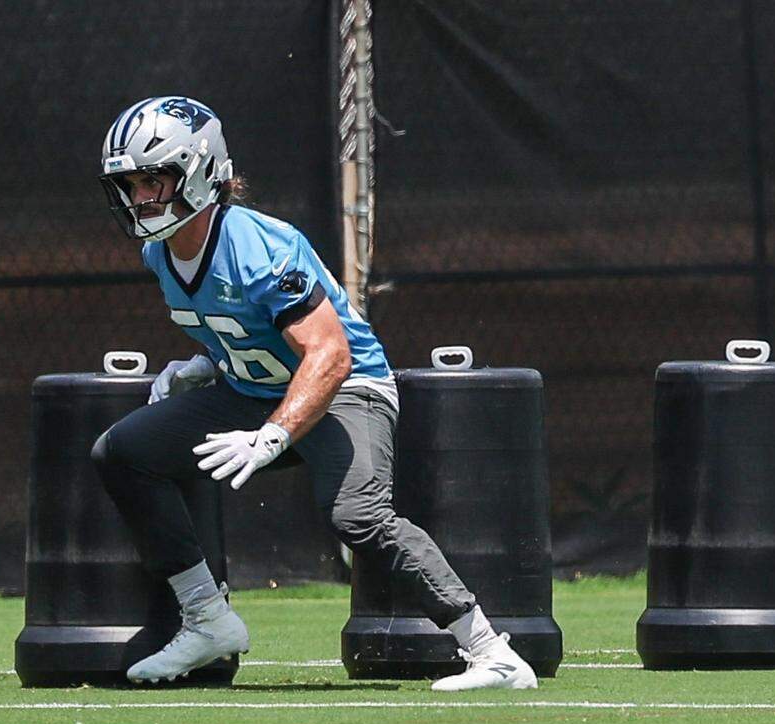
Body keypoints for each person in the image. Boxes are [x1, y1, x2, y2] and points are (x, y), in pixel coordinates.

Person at [91, 95, 537, 691]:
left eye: (153, 180)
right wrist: (204, 363)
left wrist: (274, 434)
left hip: (347, 389)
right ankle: (207, 619)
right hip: (254, 390)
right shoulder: (160, 253)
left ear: (199, 171)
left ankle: (492, 652)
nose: (140, 198)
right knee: (122, 453)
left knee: (358, 516)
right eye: (130, 184)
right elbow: (242, 324)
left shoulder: (258, 246)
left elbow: (330, 354)